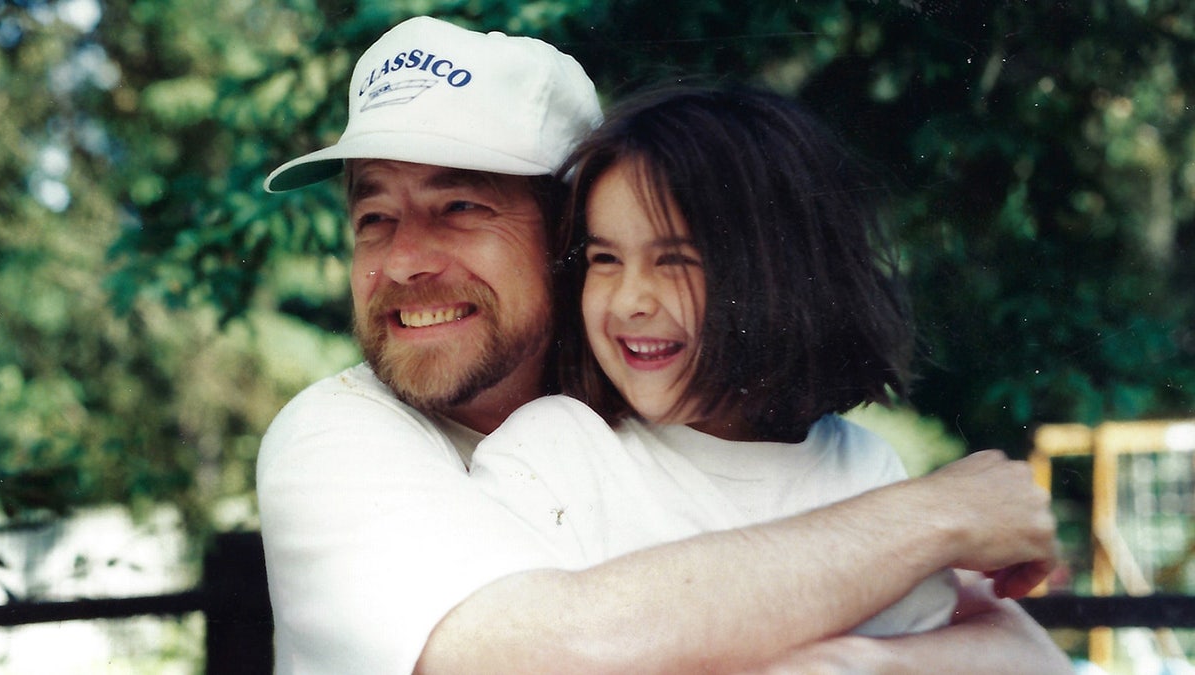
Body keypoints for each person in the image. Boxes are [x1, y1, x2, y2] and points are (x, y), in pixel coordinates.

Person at [257, 15, 1069, 675]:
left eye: (461, 206)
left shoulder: (688, 422)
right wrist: (937, 514)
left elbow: (1015, 648)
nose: (402, 260)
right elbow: (537, 655)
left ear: (563, 232)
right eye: (374, 217)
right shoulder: (337, 436)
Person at [469, 83, 958, 639]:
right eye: (605, 258)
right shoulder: (552, 456)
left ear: (783, 275)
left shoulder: (865, 468)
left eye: (674, 260)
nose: (631, 300)